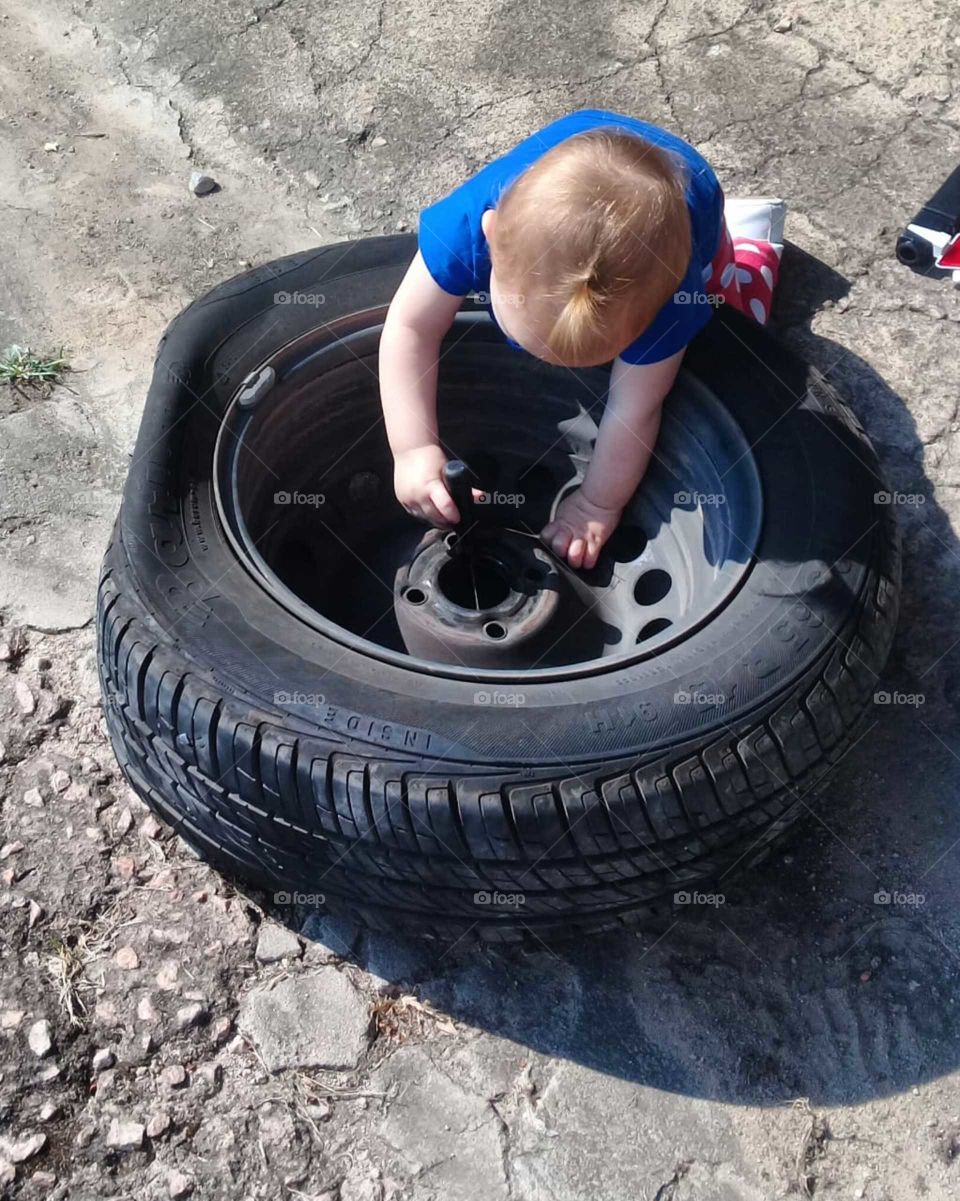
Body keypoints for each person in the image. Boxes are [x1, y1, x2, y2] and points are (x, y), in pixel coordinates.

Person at [379, 108, 784, 569]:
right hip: (583, 140)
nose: (551, 366)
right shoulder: (468, 226)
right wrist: (411, 450)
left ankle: (750, 245)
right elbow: (410, 327)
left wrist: (597, 505)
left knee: (723, 312)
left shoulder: (670, 299)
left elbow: (635, 408)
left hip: (693, 193)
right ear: (490, 241)